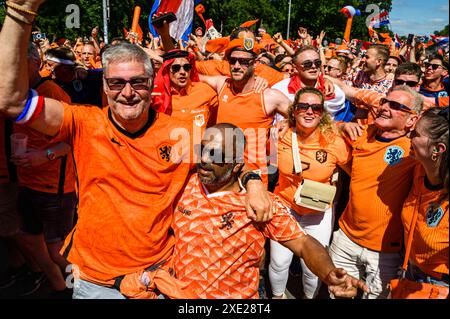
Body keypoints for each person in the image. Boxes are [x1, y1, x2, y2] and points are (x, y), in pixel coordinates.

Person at [0, 0, 271, 299]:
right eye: (116, 83)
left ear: (152, 82)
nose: (127, 93)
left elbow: (228, 159)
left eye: (137, 82)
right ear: (103, 86)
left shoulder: (177, 133)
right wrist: (19, 14)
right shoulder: (83, 122)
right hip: (95, 282)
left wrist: (254, 183)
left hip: (158, 277)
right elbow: (10, 101)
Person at [172, 123, 369, 299]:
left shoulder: (259, 203)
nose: (204, 159)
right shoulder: (184, 182)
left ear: (236, 166)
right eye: (201, 149)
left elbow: (303, 243)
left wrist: (329, 273)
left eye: (216, 155)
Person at [329, 85, 423, 299]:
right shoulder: (362, 133)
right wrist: (341, 126)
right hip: (345, 239)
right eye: (384, 102)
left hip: (386, 253)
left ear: (411, 120)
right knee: (338, 295)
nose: (384, 107)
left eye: (395, 105)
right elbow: (322, 128)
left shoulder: (415, 150)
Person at [268, 88, 352, 299]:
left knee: (312, 268)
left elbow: (356, 176)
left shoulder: (334, 141)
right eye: (303, 106)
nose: (309, 112)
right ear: (294, 110)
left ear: (322, 113)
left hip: (318, 210)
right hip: (285, 206)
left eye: (315, 107)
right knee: (279, 262)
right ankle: (278, 297)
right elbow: (268, 168)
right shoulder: (280, 134)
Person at [199, 38, 292, 185]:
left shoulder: (269, 96)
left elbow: (303, 117)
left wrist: (288, 122)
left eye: (243, 61)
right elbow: (191, 76)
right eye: (233, 60)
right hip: (222, 173)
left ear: (255, 64)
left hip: (253, 178)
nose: (236, 66)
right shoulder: (222, 84)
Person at [400, 107, 449, 293]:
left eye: (415, 134)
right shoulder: (419, 169)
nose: (408, 137)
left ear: (437, 149)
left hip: (440, 285)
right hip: (409, 272)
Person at [272, 45, 346, 120]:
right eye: (307, 64)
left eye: (317, 63)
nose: (313, 66)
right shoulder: (280, 90)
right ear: (295, 68)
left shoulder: (334, 92)